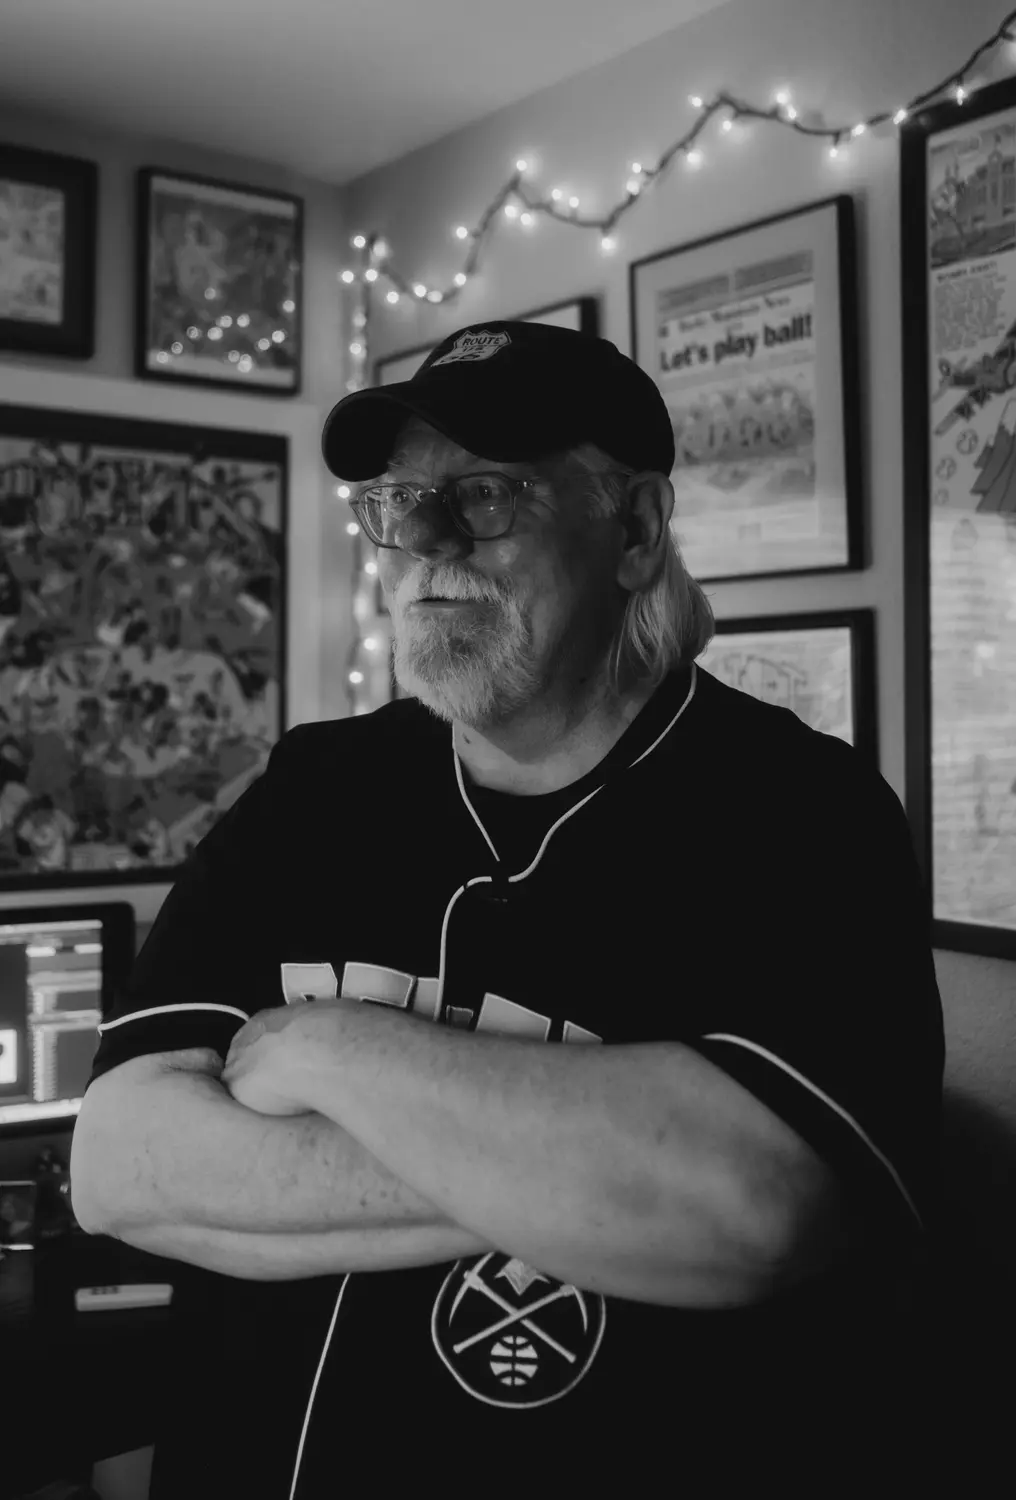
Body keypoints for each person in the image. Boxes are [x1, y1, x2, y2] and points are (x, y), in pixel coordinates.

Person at [70, 321, 945, 1496]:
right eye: (396, 503)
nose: (423, 543)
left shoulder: (800, 810)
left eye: (485, 496)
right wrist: (570, 1179)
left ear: (632, 531)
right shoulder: (315, 786)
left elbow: (750, 1207)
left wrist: (331, 1049)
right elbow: (119, 1165)